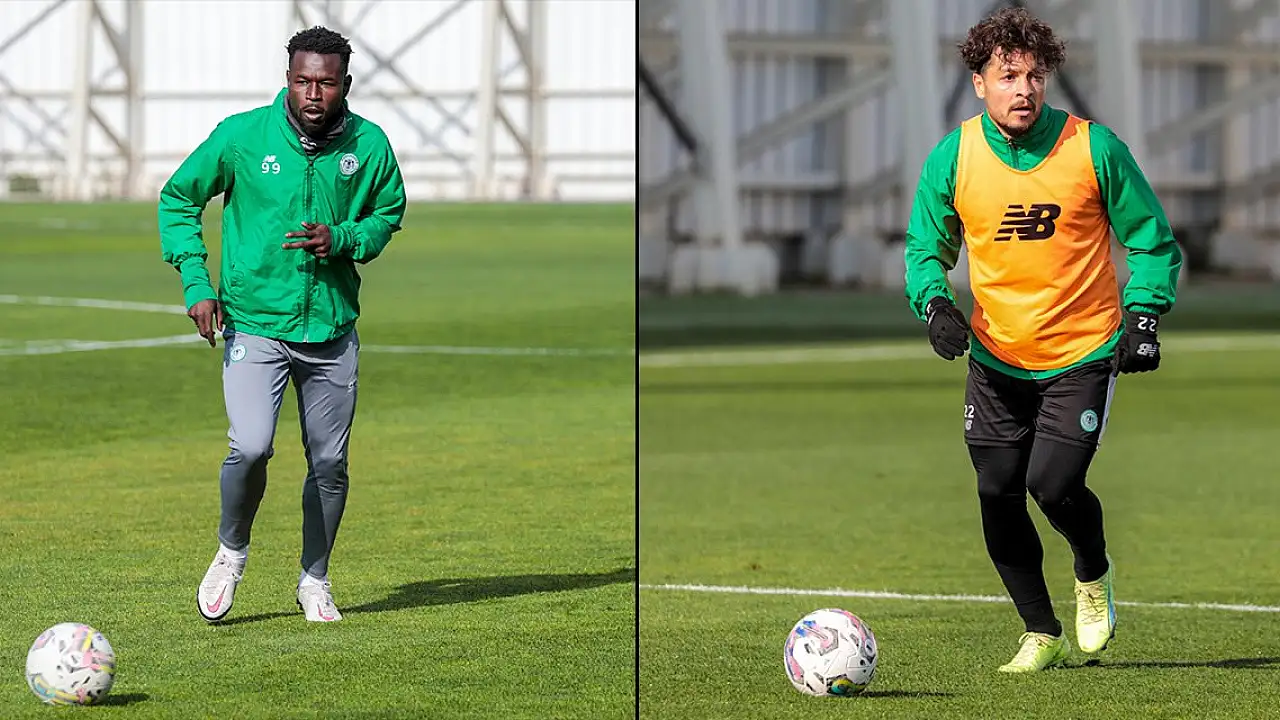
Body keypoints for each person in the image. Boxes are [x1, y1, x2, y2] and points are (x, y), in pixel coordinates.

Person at [903, 7, 1181, 672]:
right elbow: (924, 248)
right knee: (996, 490)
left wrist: (1143, 317)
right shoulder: (954, 157)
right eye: (1008, 76)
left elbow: (1151, 241)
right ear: (979, 83)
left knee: (1053, 486)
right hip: (997, 357)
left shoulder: (1094, 148)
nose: (1023, 89)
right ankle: (1040, 631)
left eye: (1034, 76)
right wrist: (935, 303)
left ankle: (1092, 570)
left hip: (1081, 353)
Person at [158, 26, 406, 623]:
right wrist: (197, 284)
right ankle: (230, 552)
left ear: (346, 84)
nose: (313, 94)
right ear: (287, 80)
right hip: (255, 324)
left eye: (326, 83)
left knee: (330, 464)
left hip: (331, 330)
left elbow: (388, 212)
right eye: (302, 81)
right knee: (250, 447)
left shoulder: (370, 144)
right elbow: (178, 198)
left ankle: (315, 580)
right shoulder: (243, 136)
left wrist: (343, 237)